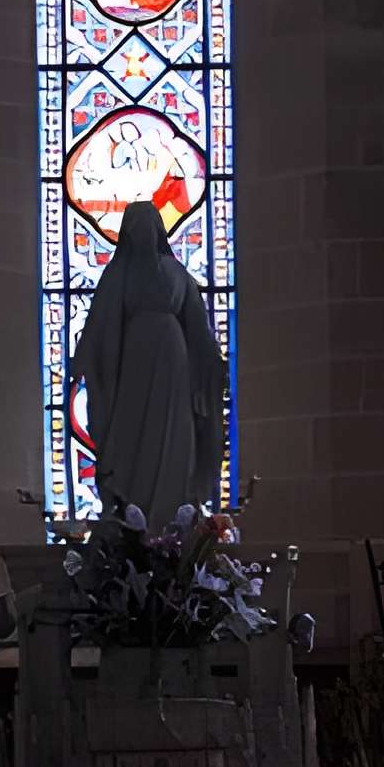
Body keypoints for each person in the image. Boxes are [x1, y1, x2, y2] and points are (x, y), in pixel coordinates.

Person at [72, 196, 225, 522]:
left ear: (157, 231)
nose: (143, 234)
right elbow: (100, 325)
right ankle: (133, 513)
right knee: (131, 431)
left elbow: (198, 328)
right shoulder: (118, 274)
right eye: (136, 228)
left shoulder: (176, 272)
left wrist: (212, 366)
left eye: (147, 227)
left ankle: (174, 516)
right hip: (133, 363)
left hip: (174, 363)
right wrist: (87, 358)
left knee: (175, 430)